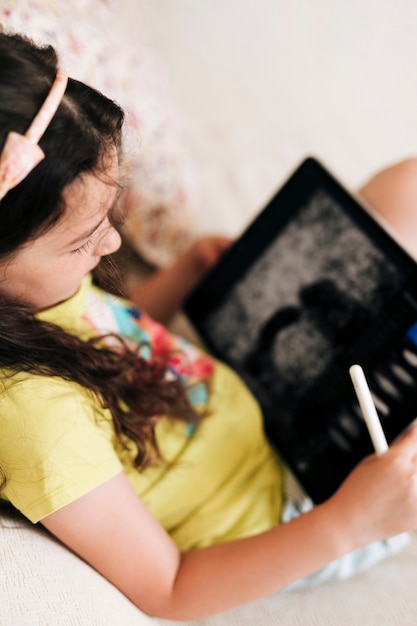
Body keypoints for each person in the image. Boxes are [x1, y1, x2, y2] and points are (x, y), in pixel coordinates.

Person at [1, 32, 417, 621]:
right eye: (82, 241)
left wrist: (185, 274)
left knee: (409, 184)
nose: (113, 242)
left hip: (260, 387)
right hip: (292, 514)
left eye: (107, 217)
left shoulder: (37, 292)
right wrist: (351, 521)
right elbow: (171, 589)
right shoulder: (33, 423)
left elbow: (108, 336)